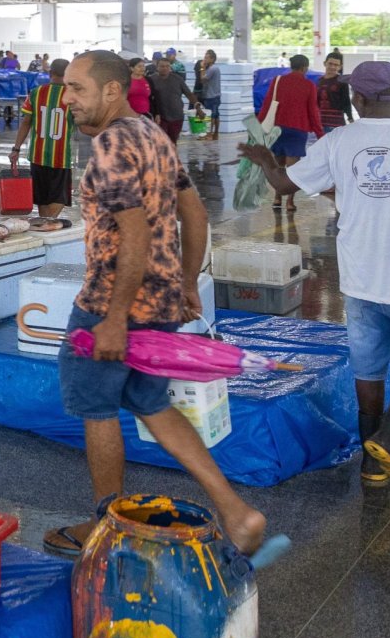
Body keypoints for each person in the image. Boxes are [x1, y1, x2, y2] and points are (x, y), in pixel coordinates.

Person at [44, 51, 281, 564]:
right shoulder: (153, 134)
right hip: (160, 302)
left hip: (112, 304)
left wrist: (111, 319)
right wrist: (187, 282)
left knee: (98, 409)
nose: (68, 100)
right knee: (150, 403)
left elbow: (135, 234)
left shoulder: (111, 144)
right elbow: (194, 214)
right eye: (66, 89)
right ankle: (236, 512)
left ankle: (108, 524)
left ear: (112, 91)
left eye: (77, 90)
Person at [238, 61, 390, 498]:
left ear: (356, 99)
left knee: (369, 371)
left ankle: (371, 466)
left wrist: (267, 160)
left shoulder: (339, 141)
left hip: (360, 279)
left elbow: (285, 185)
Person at [256, 54, 323, 212]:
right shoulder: (309, 85)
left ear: (291, 66)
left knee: (278, 165)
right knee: (293, 169)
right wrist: (320, 133)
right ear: (305, 67)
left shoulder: (278, 81)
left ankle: (277, 198)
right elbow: (312, 111)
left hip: (277, 128)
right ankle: (290, 202)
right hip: (297, 130)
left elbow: (267, 104)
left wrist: (259, 125)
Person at [10, 58, 75, 217]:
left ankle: (45, 223)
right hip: (60, 157)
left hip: (37, 156)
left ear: (50, 73)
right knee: (60, 196)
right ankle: (48, 223)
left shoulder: (36, 93)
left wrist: (16, 149)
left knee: (42, 199)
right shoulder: (73, 97)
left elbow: (26, 123)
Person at [147, 55, 200, 143]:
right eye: (162, 66)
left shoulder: (177, 79)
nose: (165, 68)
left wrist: (197, 106)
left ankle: (172, 156)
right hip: (160, 117)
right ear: (157, 67)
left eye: (167, 66)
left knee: (173, 141)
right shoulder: (151, 80)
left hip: (176, 116)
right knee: (161, 141)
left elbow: (189, 94)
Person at [316, 53, 353, 135]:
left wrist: (350, 119)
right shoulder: (318, 81)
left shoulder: (342, 82)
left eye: (336, 65)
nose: (332, 67)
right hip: (320, 123)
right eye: (330, 64)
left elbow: (346, 101)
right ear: (325, 63)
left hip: (336, 124)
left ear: (340, 67)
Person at [195, 49, 222, 138]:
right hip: (215, 95)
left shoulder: (212, 69)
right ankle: (215, 134)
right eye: (204, 57)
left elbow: (202, 80)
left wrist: (202, 67)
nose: (204, 60)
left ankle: (209, 134)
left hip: (211, 96)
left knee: (210, 116)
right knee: (216, 115)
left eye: (206, 58)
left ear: (212, 59)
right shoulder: (214, 68)